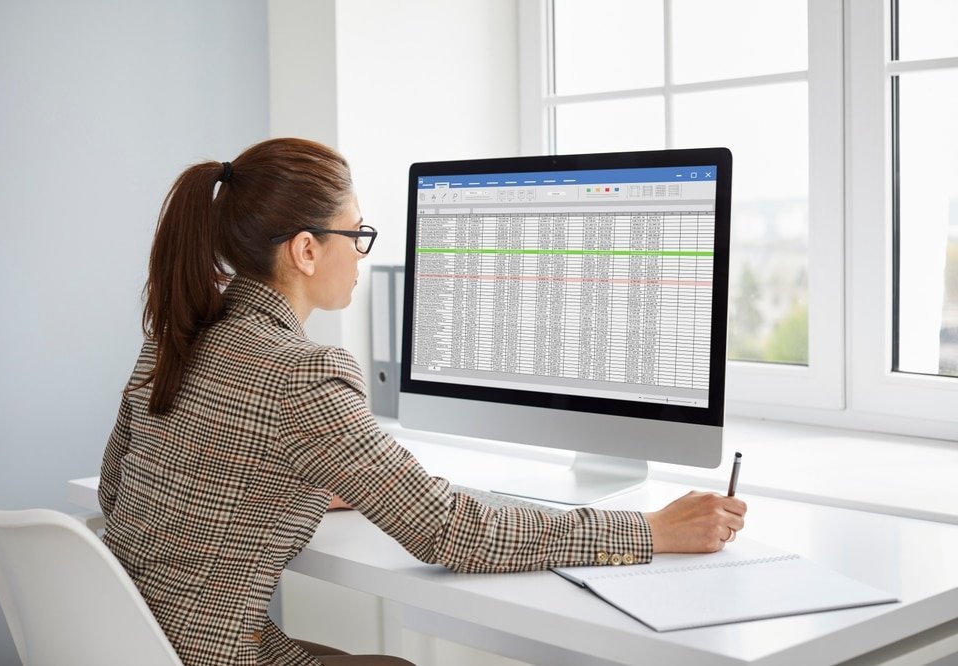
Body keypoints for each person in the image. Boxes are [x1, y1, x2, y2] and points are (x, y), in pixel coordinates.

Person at [98, 137, 747, 666]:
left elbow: (115, 492)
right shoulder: (303, 375)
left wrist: (291, 482)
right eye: (357, 234)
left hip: (133, 643)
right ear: (304, 250)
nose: (361, 254)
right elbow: (450, 532)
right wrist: (652, 530)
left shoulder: (175, 338)